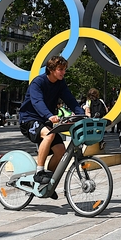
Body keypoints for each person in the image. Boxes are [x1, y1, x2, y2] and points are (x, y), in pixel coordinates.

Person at [18, 55, 84, 186]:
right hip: (29, 119)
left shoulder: (60, 84)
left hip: (45, 120)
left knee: (60, 151)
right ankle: (39, 172)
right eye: (60, 69)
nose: (63, 72)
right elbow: (37, 102)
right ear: (51, 69)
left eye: (64, 69)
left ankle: (47, 182)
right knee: (49, 135)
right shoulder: (38, 82)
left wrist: (82, 114)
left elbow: (70, 99)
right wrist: (49, 115)